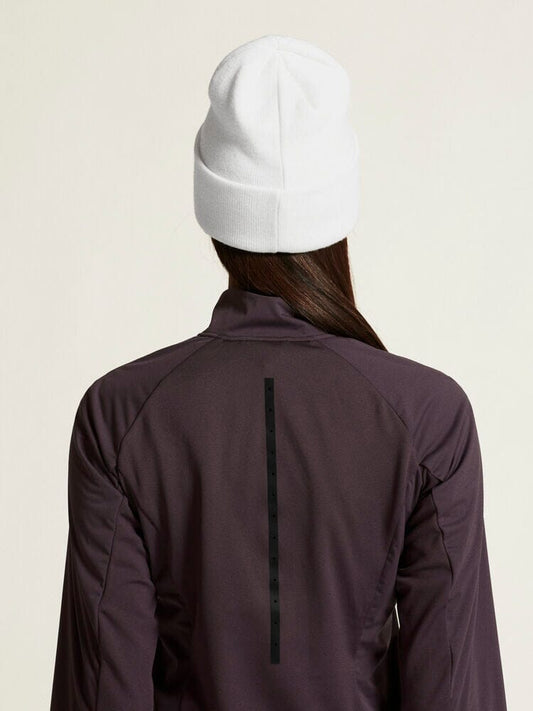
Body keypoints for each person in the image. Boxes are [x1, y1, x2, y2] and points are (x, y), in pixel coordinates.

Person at [50, 34, 507, 710]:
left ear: (214, 212)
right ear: (339, 209)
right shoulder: (429, 418)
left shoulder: (119, 416)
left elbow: (101, 693)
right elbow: (455, 688)